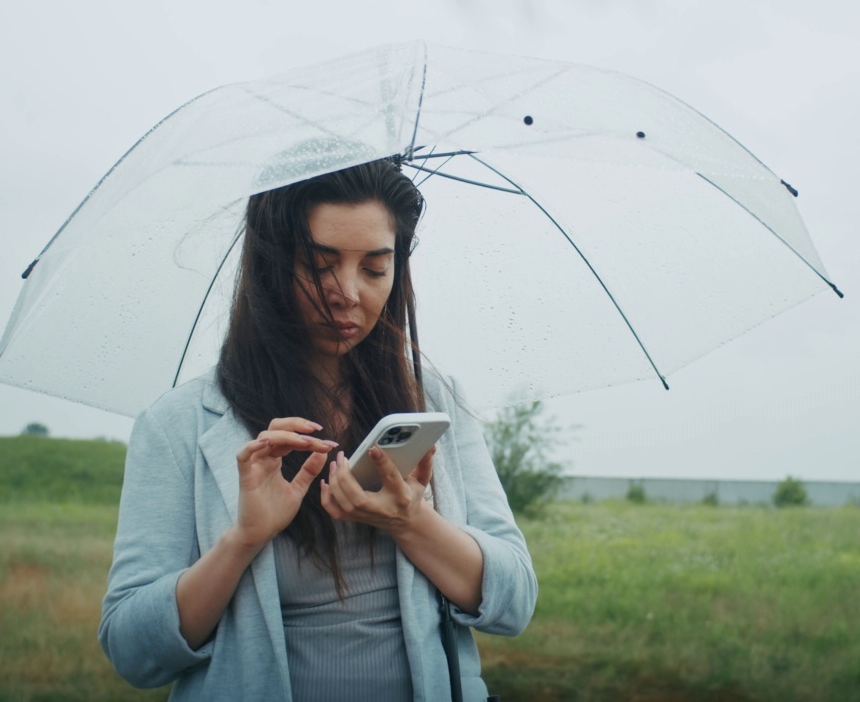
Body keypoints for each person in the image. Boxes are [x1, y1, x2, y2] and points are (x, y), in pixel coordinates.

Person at [99, 159, 537, 701]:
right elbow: (132, 650)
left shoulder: (432, 398)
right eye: (319, 265)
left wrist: (412, 524)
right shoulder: (178, 424)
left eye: (375, 269)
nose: (347, 293)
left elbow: (514, 603)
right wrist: (242, 542)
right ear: (269, 265)